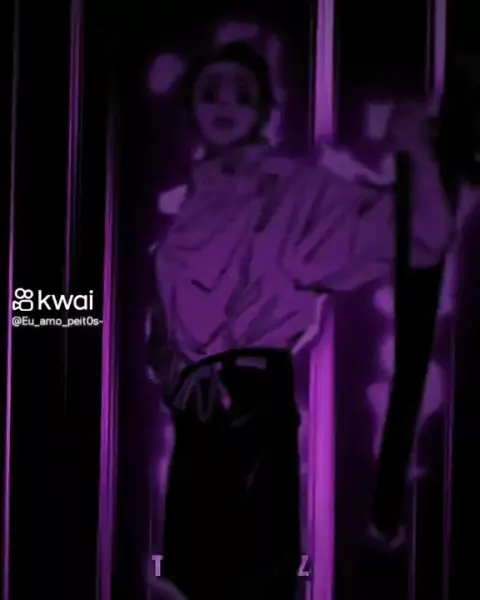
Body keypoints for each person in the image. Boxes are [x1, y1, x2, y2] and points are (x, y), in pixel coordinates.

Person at [147, 41, 452, 600]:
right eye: (211, 93)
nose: (225, 105)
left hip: (251, 407)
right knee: (192, 581)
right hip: (196, 416)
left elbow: (419, 236)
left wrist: (417, 151)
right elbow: (166, 322)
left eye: (242, 94)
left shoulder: (292, 190)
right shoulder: (191, 205)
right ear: (191, 106)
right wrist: (173, 372)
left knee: (251, 578)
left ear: (265, 108)